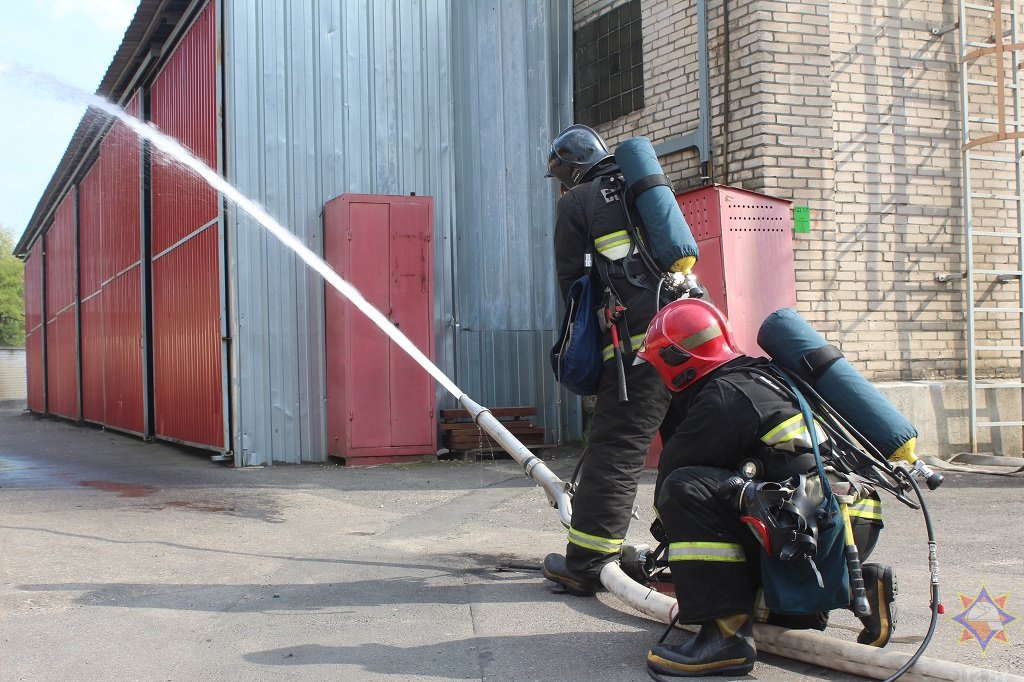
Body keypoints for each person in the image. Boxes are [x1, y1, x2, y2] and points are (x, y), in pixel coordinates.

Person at [634, 298, 896, 679]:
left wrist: (676, 543)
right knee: (775, 610)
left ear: (677, 364)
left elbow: (673, 478)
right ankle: (862, 586)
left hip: (805, 529)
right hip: (851, 526)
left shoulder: (723, 396)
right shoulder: (768, 376)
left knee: (684, 489)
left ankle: (725, 638)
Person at [542, 124, 685, 595]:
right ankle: (694, 556)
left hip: (637, 348)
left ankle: (586, 562)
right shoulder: (640, 191)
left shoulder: (576, 203)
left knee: (616, 450)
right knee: (690, 448)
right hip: (693, 338)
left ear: (569, 169)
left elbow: (573, 287)